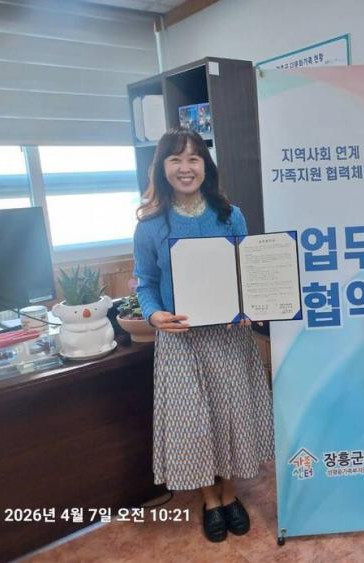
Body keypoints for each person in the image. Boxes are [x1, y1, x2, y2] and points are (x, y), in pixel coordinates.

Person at [133, 127, 274, 543]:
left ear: (205, 166)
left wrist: (248, 305)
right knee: (195, 424)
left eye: (194, 158)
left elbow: (248, 272)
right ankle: (210, 500)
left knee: (229, 418)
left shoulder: (230, 215)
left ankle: (230, 494)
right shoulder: (150, 225)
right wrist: (154, 314)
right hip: (181, 341)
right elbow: (145, 283)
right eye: (175, 158)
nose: (185, 167)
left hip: (228, 339)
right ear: (161, 167)